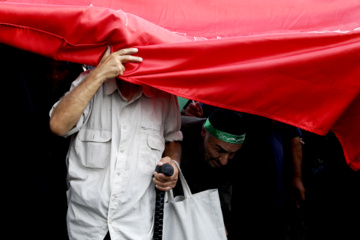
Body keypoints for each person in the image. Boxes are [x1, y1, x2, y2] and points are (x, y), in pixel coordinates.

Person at [49, 46, 183, 240]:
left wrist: (173, 163)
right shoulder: (88, 82)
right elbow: (58, 125)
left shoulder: (163, 96)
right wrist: (99, 73)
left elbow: (173, 139)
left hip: (135, 227)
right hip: (86, 226)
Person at [174, 108, 247, 237]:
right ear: (203, 132)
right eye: (219, 150)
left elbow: (224, 190)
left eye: (232, 154)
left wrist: (219, 221)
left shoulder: (235, 156)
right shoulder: (179, 133)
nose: (224, 161)